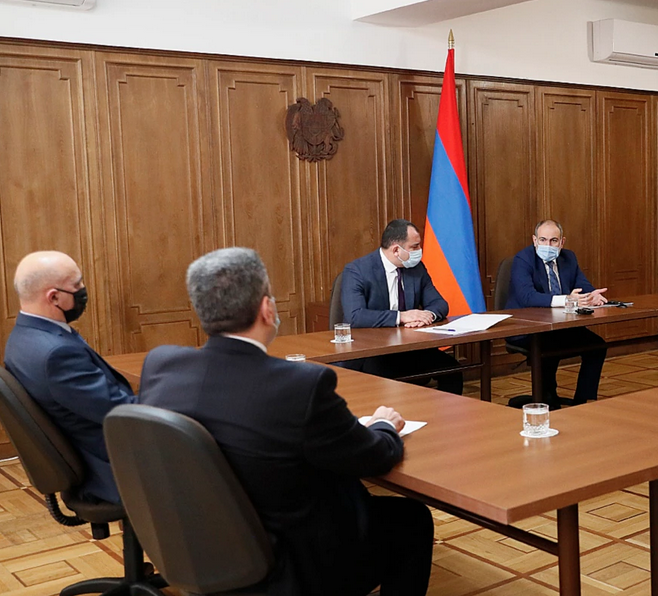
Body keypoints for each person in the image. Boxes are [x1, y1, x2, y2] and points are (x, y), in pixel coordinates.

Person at [139, 247, 432, 596]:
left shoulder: (161, 365)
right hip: (293, 563)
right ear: (267, 309)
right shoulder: (300, 385)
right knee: (411, 519)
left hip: (201, 546)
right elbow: (375, 457)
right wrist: (383, 425)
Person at [3, 251, 135, 505]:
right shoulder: (56, 354)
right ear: (54, 297)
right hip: (113, 469)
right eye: (77, 286)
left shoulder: (22, 337)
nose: (83, 290)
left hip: (94, 448)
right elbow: (123, 413)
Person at [340, 219, 463, 394]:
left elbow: (439, 304)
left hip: (408, 347)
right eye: (414, 247)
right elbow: (355, 316)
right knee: (388, 380)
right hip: (371, 351)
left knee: (452, 369)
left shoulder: (416, 268)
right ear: (396, 250)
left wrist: (427, 315)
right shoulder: (357, 270)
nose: (419, 251)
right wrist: (402, 316)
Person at [505, 220, 608, 408]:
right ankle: (547, 400)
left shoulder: (569, 258)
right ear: (534, 240)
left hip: (560, 325)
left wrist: (592, 295)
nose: (548, 245)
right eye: (543, 240)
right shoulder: (524, 259)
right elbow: (528, 297)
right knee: (548, 349)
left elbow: (582, 285)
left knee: (597, 347)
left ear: (562, 242)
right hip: (527, 328)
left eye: (553, 240)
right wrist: (567, 300)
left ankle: (582, 402)